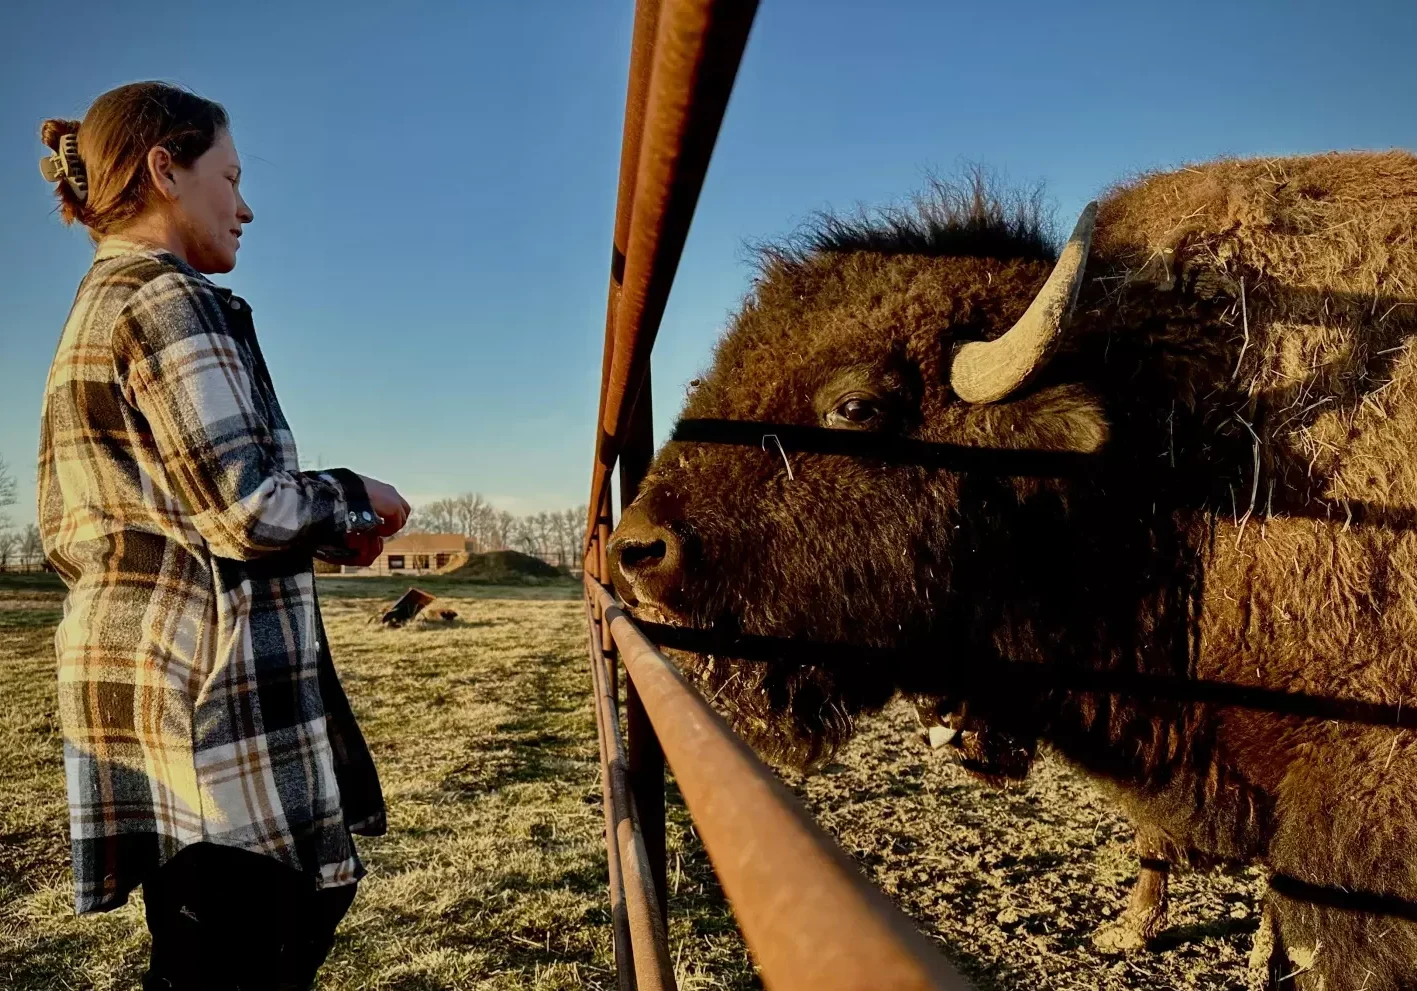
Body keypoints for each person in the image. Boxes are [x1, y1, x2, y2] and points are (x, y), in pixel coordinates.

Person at [36, 81, 408, 990]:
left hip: (142, 674)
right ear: (166, 170)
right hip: (207, 685)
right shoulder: (167, 297)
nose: (245, 206)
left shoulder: (97, 303)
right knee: (257, 933)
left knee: (213, 943)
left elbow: (175, 511)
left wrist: (322, 535)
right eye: (229, 177)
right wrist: (357, 494)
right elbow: (245, 509)